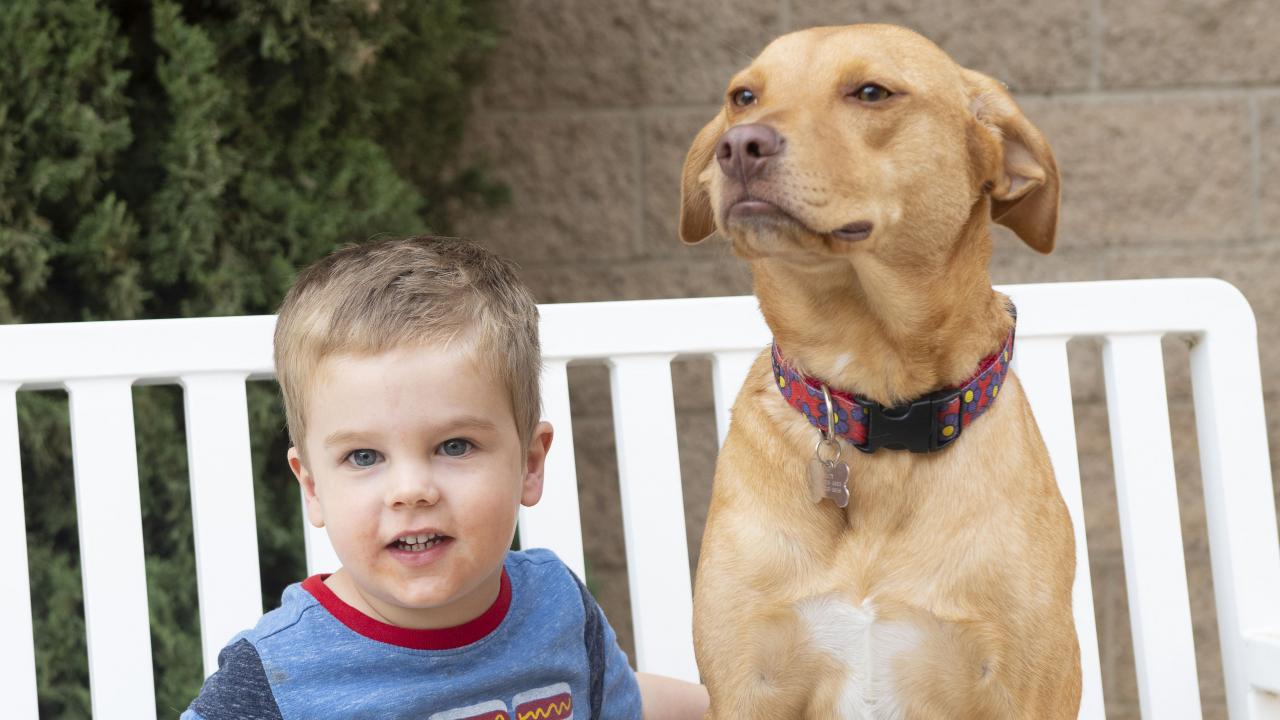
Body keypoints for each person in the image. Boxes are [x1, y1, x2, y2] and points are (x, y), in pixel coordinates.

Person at [183, 236, 709, 719]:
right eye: (364, 457)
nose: (411, 490)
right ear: (314, 486)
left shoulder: (555, 607)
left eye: (454, 446)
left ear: (529, 464)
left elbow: (624, 703)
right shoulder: (278, 676)